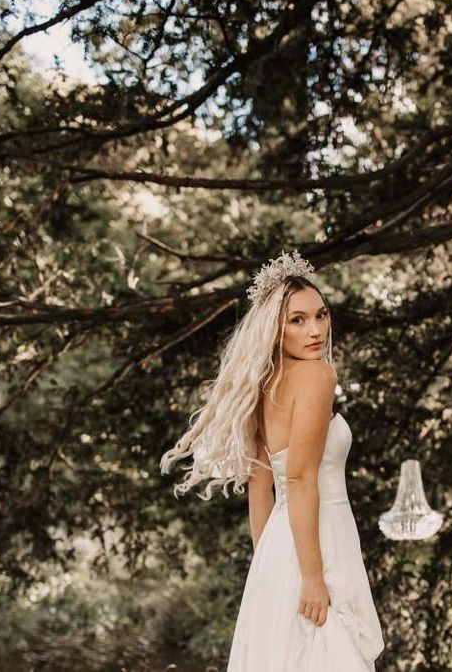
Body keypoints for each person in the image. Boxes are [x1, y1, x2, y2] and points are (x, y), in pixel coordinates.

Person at [160, 249, 385, 671]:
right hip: (318, 538)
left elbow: (260, 485)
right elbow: (299, 479)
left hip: (279, 545)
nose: (315, 330)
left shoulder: (263, 386)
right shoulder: (318, 375)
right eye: (297, 320)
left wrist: (268, 565)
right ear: (275, 329)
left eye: (320, 315)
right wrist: (312, 575)